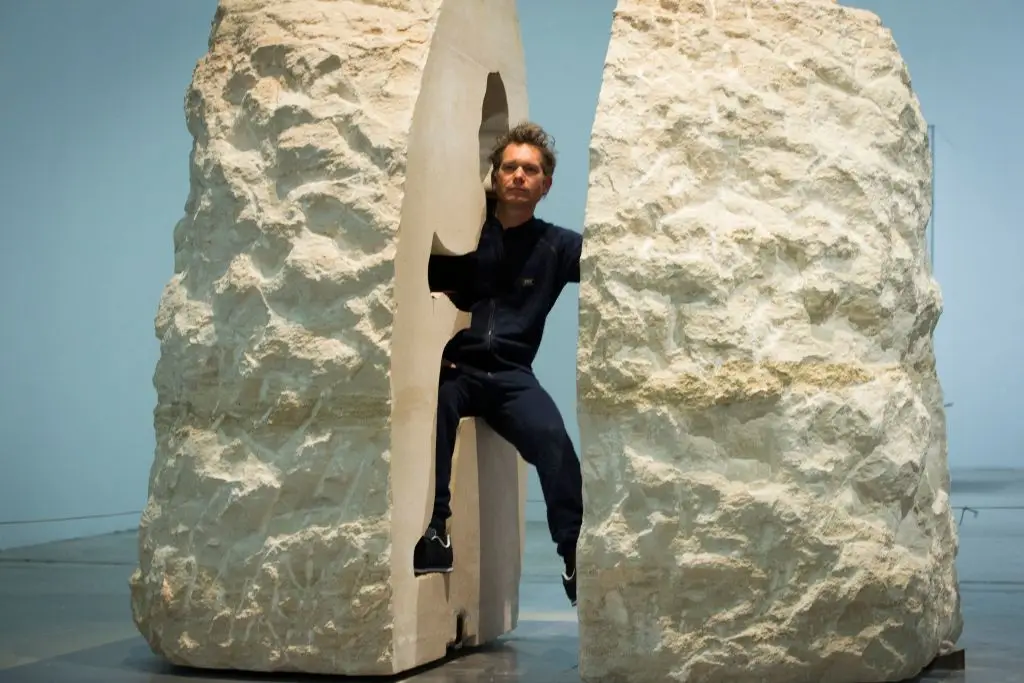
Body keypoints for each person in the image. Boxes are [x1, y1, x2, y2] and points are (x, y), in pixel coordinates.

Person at [412, 121, 583, 607]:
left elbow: (613, 260)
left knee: (554, 440)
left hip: (511, 377)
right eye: (509, 167)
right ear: (494, 175)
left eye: (530, 170)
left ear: (545, 185)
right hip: (460, 370)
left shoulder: (555, 247)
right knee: (437, 413)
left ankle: (572, 553)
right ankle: (435, 531)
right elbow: (415, 271)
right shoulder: (467, 234)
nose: (518, 176)